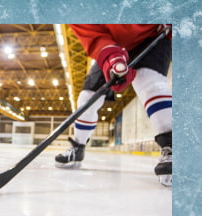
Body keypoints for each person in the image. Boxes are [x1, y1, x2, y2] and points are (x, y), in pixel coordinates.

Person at [55, 24, 172, 186]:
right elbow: (94, 36)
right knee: (87, 98)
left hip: (152, 36)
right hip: (112, 45)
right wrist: (112, 59)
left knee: (149, 81)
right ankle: (78, 148)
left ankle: (172, 146)